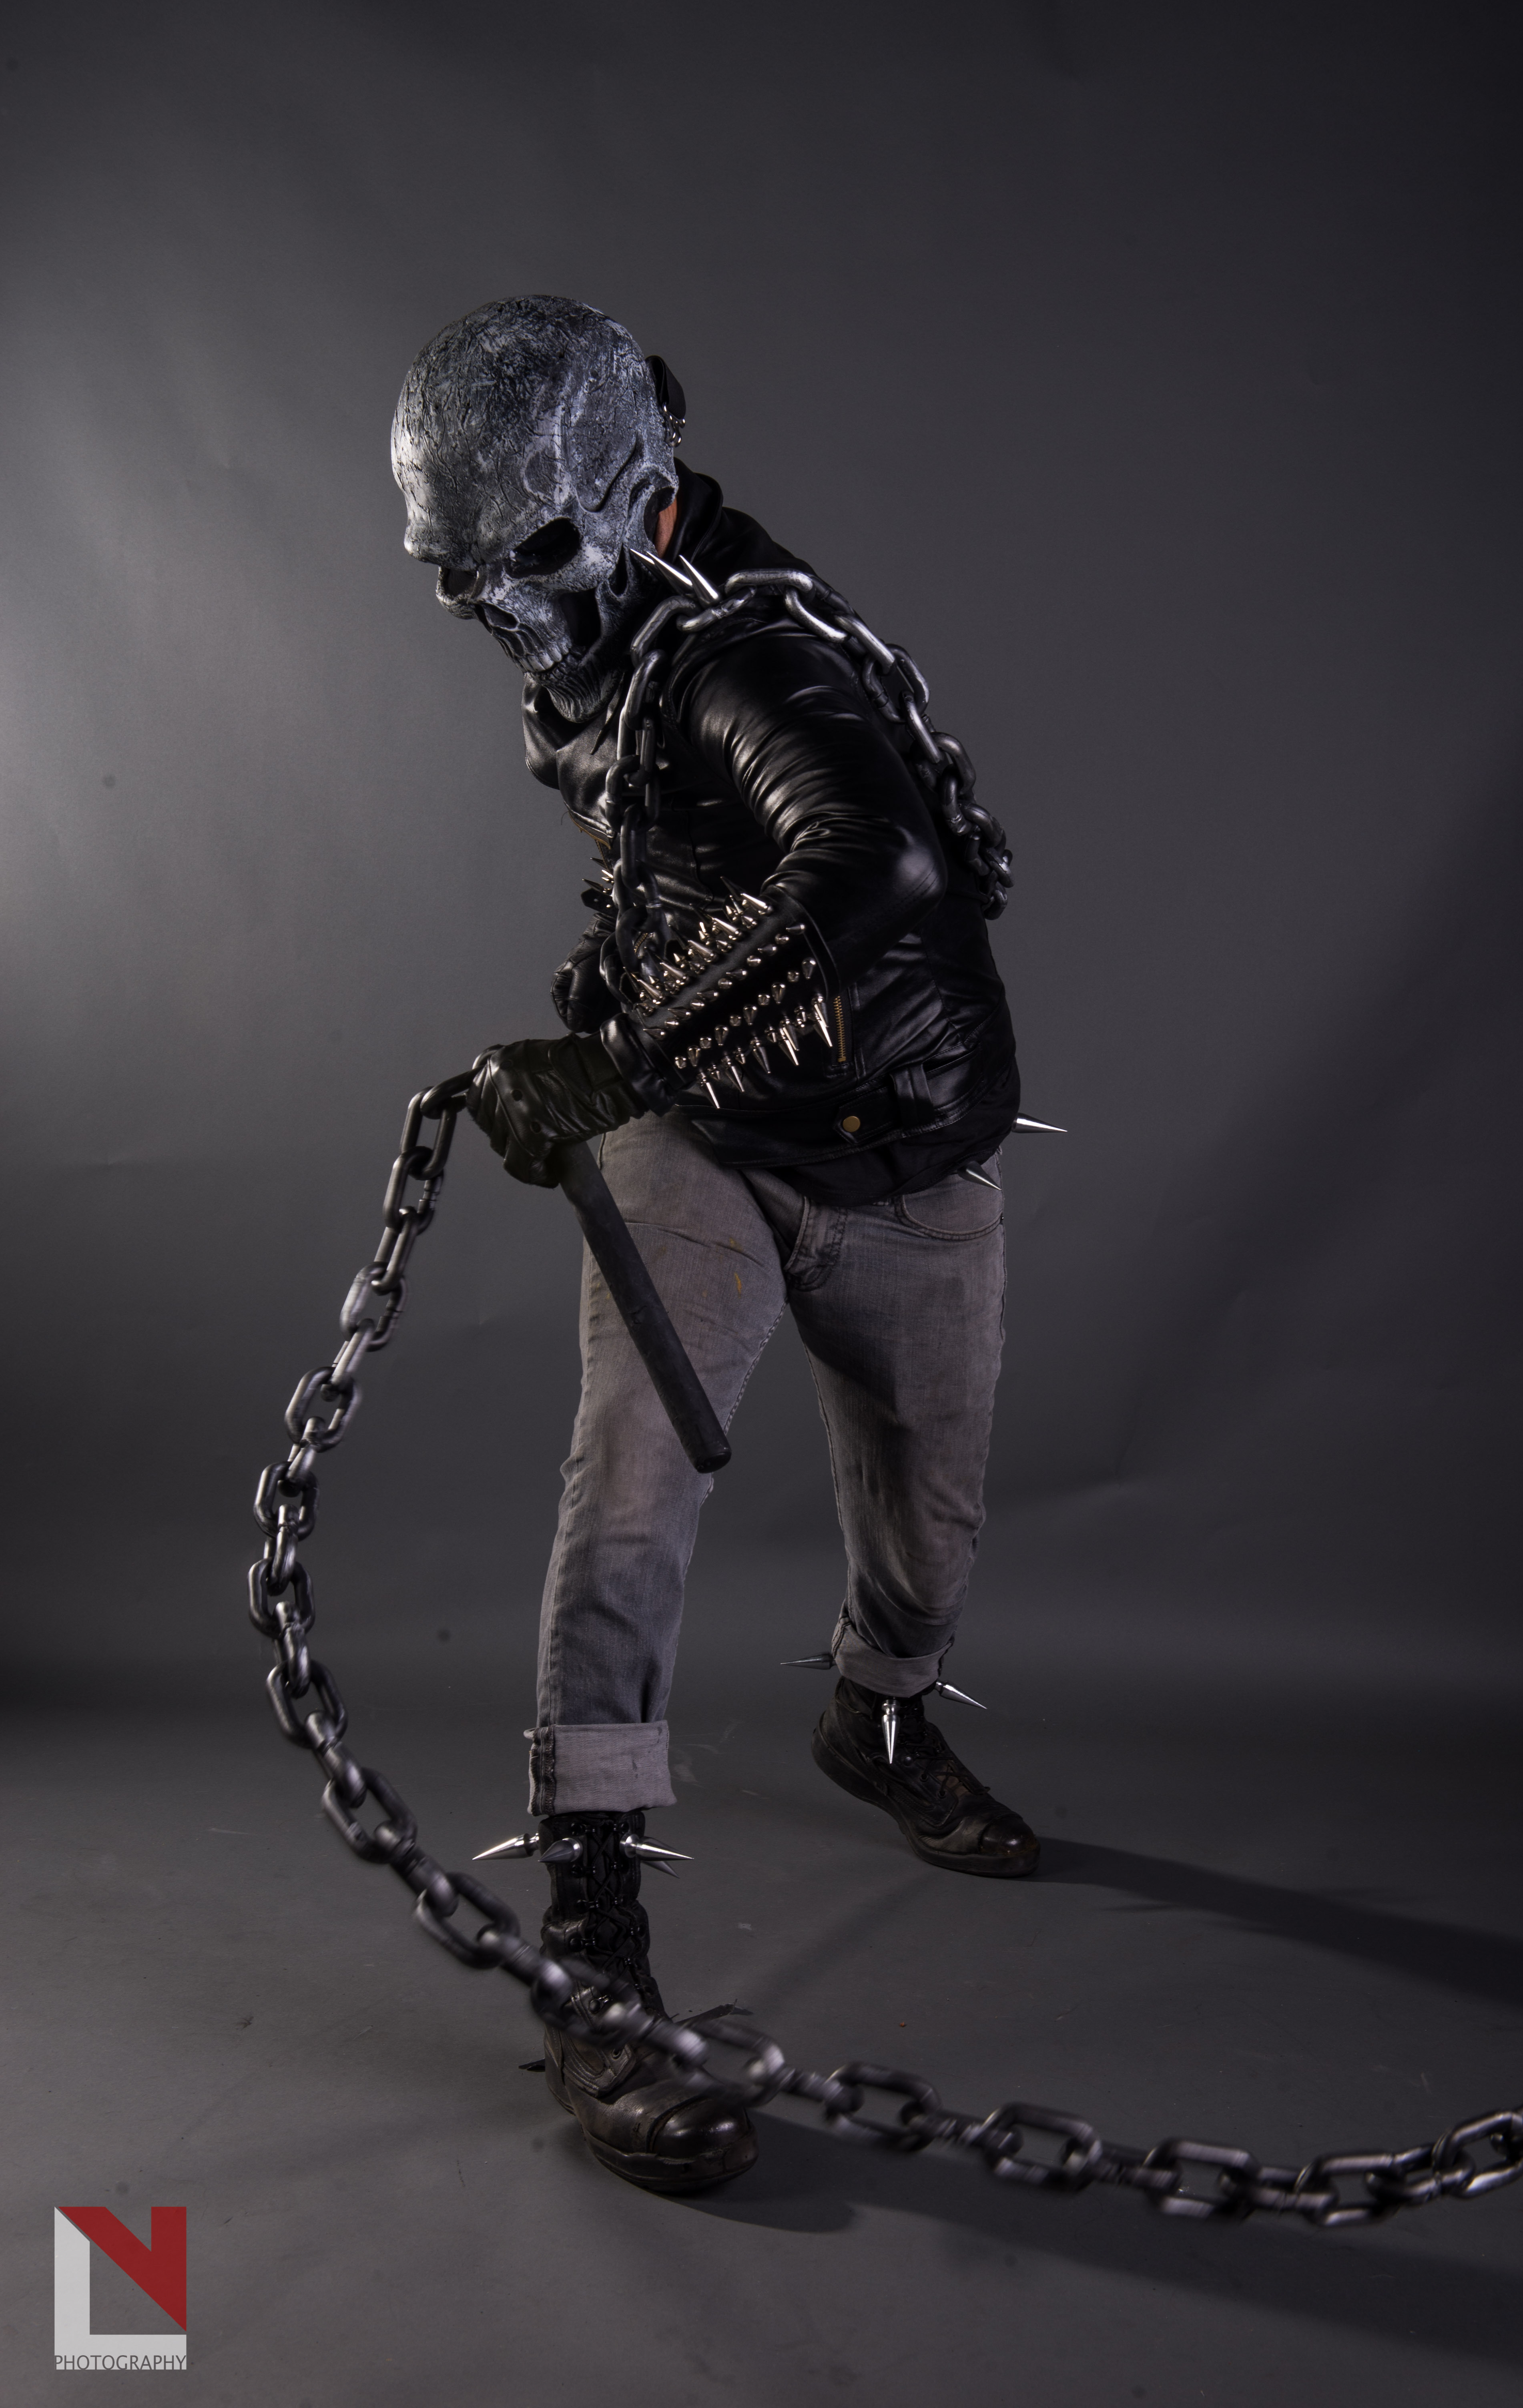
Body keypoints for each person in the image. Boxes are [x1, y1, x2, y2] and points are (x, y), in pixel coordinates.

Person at [392, 295, 1040, 2192]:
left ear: (629, 495)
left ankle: (879, 1715)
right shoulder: (609, 635)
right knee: (624, 1511)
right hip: (706, 1146)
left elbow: (881, 862)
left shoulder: (749, 656)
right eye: (457, 577)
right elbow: (683, 848)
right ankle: (593, 1932)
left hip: (899, 1153)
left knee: (929, 1520)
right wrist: (631, 1000)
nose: (499, 614)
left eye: (526, 559)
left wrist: (612, 1050)